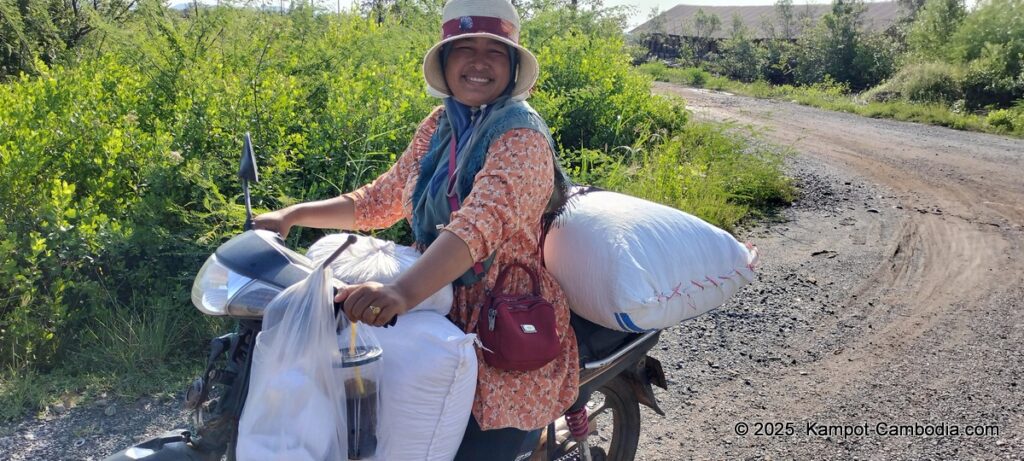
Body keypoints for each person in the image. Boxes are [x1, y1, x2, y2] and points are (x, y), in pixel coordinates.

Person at [253, 0, 579, 458]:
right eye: (464, 48)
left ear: (512, 67)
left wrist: (401, 293)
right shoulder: (443, 123)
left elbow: (478, 226)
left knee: (473, 450)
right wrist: (292, 216)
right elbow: (381, 197)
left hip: (498, 316)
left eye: (495, 51)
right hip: (432, 295)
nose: (479, 62)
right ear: (445, 62)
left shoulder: (521, 137)